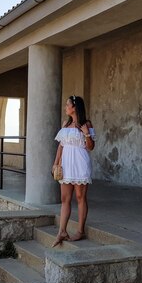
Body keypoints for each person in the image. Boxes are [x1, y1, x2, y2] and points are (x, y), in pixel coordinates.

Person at [52, 95, 95, 247]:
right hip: (66, 164)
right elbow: (61, 146)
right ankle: (62, 231)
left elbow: (90, 147)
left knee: (80, 197)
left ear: (74, 107)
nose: (65, 107)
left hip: (81, 162)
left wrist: (86, 133)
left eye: (67, 104)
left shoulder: (86, 124)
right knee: (65, 198)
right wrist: (56, 163)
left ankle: (80, 230)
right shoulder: (66, 124)